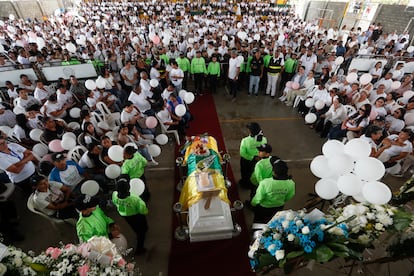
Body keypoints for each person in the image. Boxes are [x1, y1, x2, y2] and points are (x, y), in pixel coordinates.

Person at [112, 177, 148, 255]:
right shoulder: (135, 198)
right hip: (136, 215)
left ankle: (138, 231)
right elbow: (143, 210)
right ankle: (140, 249)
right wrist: (145, 212)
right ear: (129, 188)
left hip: (125, 215)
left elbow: (115, 202)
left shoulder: (114, 194)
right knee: (141, 231)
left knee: (134, 226)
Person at [251, 159, 295, 223]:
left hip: (264, 207)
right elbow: (289, 196)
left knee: (259, 221)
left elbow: (259, 197)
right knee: (273, 220)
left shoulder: (265, 183)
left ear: (273, 172)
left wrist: (253, 203)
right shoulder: (291, 183)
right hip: (278, 207)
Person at [239, 122, 267, 189]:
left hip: (247, 161)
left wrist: (252, 158)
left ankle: (245, 184)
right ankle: (253, 184)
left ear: (250, 131)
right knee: (255, 172)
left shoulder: (245, 141)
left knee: (245, 173)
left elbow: (242, 153)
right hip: (258, 160)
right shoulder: (264, 139)